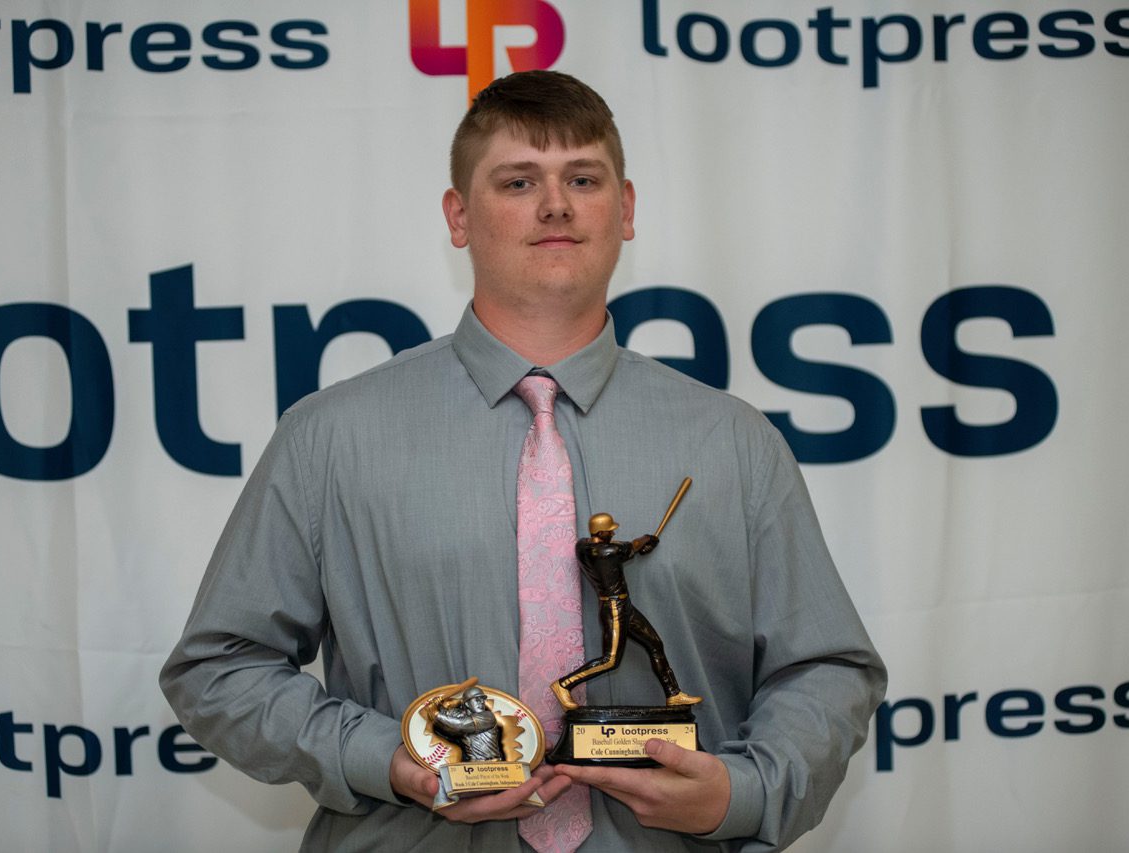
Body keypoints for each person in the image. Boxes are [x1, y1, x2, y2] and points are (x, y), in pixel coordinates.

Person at [160, 69, 886, 851]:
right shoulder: (329, 438)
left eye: (583, 178)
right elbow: (218, 668)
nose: (556, 205)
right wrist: (389, 759)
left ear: (626, 209)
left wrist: (742, 793)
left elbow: (827, 670)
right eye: (518, 181)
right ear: (459, 215)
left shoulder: (733, 441)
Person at [551, 512, 701, 710]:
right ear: (601, 533)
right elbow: (633, 545)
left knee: (655, 644)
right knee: (610, 661)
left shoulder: (582, 546)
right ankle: (563, 684)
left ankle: (673, 694)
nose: (613, 533)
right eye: (610, 531)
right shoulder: (609, 552)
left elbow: (626, 548)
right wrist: (648, 539)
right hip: (614, 609)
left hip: (624, 606)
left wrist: (639, 547)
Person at [425, 685, 504, 763]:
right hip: (473, 765)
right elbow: (446, 720)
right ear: (467, 704)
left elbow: (461, 725)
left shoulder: (488, 716)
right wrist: (437, 705)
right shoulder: (461, 715)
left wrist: (436, 714)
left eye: (482, 699)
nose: (481, 702)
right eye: (477, 700)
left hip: (492, 765)